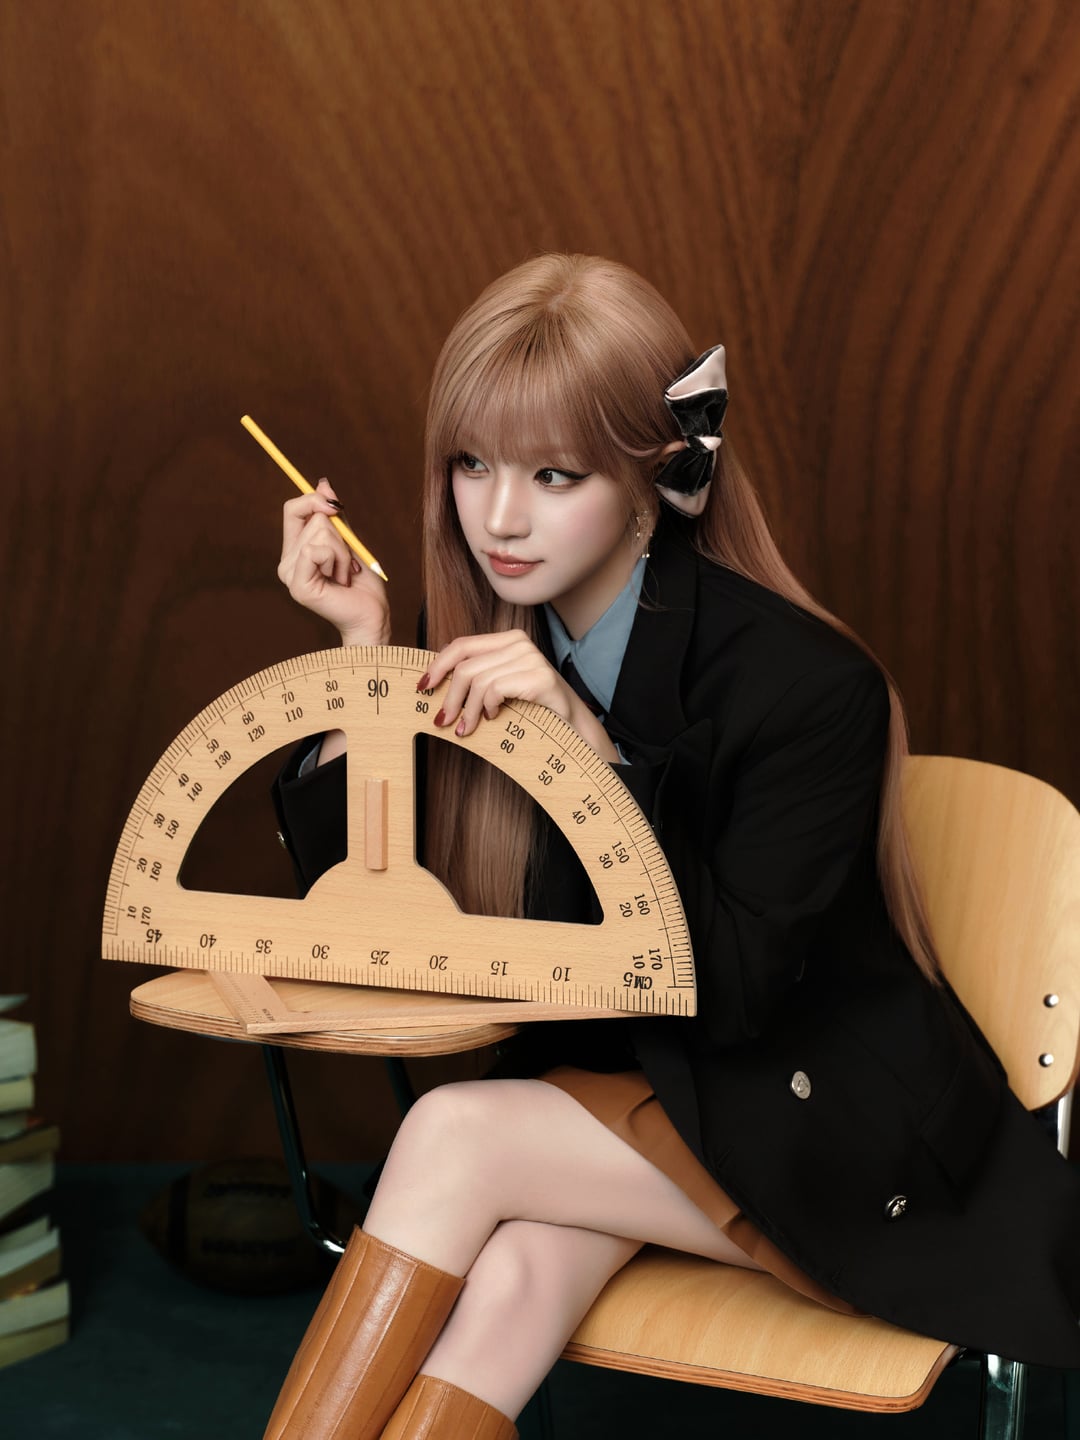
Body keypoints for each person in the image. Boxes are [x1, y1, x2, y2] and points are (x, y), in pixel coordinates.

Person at [265, 255, 1080, 1439]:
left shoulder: (809, 686)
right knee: (516, 1275)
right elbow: (370, 928)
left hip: (825, 1128)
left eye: (554, 475)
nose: (500, 518)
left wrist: (587, 753)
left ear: (655, 479)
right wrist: (361, 655)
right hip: (619, 1106)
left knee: (452, 1135)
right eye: (472, 464)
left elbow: (732, 994)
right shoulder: (487, 644)